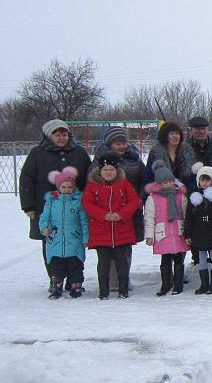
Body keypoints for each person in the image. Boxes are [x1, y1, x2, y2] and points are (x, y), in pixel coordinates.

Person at [19, 119, 91, 290]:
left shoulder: (79, 153)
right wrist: (28, 206)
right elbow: (26, 179)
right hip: (47, 209)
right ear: (48, 135)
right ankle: (55, 278)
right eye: (57, 134)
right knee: (50, 243)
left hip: (74, 209)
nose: (61, 138)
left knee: (74, 243)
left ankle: (74, 279)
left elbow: (89, 178)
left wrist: (88, 202)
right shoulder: (37, 153)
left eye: (64, 134)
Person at [82, 154, 141, 299]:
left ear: (117, 171)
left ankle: (123, 289)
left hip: (122, 230)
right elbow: (87, 205)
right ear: (100, 171)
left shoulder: (125, 184)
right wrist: (103, 215)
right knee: (103, 263)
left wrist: (121, 214)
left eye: (112, 170)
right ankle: (103, 291)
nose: (109, 172)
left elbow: (133, 202)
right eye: (106, 170)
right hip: (101, 231)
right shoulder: (92, 186)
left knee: (122, 262)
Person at [38, 166, 88, 299]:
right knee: (57, 267)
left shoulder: (77, 203)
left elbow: (84, 221)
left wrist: (85, 238)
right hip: (55, 240)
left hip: (74, 240)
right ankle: (57, 287)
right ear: (59, 187)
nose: (67, 190)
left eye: (70, 187)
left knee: (75, 266)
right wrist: (45, 228)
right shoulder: (51, 202)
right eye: (64, 187)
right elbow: (44, 217)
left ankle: (76, 286)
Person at [144, 163, 190, 296]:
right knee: (165, 260)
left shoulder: (180, 196)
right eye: (164, 182)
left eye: (170, 181)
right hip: (162, 233)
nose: (168, 184)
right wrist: (149, 236)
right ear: (159, 183)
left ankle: (178, 284)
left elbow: (186, 214)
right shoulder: (153, 198)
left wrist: (188, 232)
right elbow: (149, 217)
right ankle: (165, 284)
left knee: (179, 260)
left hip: (178, 232)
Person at [184, 163, 212, 295]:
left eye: (207, 179)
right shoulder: (194, 197)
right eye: (202, 180)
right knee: (201, 258)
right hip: (198, 233)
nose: (205, 182)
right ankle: (204, 284)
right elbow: (189, 217)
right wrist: (187, 234)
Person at [143, 121, 195, 189]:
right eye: (171, 134)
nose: (175, 136)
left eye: (177, 133)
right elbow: (148, 176)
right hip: (162, 192)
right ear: (165, 136)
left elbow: (192, 177)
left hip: (184, 193)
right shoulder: (155, 153)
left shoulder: (188, 153)